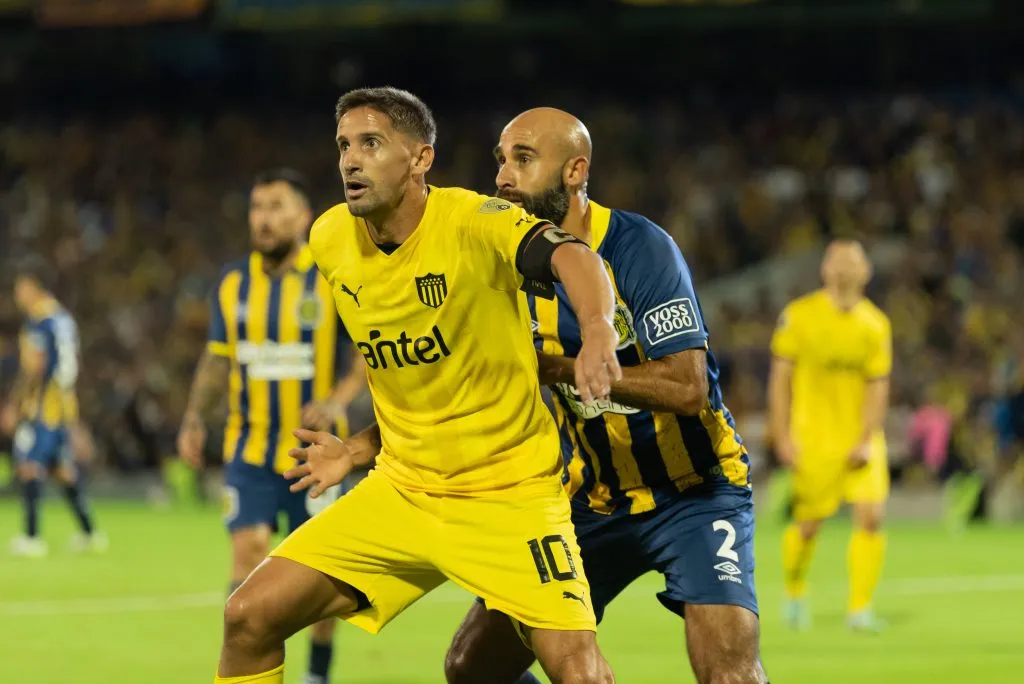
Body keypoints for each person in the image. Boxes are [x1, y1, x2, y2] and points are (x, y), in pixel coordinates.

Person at [213, 87, 623, 684]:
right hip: (403, 490)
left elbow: (574, 258)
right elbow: (417, 379)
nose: (350, 160)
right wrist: (354, 450)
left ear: (420, 158)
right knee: (247, 618)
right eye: (344, 145)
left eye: (371, 143)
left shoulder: (477, 222)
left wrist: (598, 330)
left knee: (579, 672)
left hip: (508, 496)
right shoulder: (330, 240)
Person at [443, 108, 767, 684]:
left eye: (523, 159)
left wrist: (564, 368)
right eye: (501, 160)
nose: (502, 177)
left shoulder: (642, 248)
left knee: (729, 673)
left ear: (574, 171)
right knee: (472, 667)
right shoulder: (503, 269)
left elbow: (689, 387)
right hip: (590, 502)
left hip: (695, 491)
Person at [177, 169, 366, 684]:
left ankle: (317, 675)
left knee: (320, 576)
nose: (263, 218)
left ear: (303, 216)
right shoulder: (233, 282)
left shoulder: (331, 279)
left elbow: (363, 358)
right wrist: (195, 418)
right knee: (249, 553)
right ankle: (245, 665)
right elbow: (217, 360)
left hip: (316, 456)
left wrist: (334, 400)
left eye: (276, 206)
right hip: (251, 451)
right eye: (257, 206)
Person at [768, 239, 892, 632]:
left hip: (859, 436)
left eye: (851, 262)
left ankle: (860, 609)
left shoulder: (876, 324)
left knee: (871, 516)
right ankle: (794, 592)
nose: (842, 269)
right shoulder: (799, 316)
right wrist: (782, 434)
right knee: (809, 524)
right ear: (824, 270)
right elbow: (780, 381)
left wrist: (867, 437)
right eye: (836, 261)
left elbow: (878, 385)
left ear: (866, 272)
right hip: (812, 438)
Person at [2, 259, 105, 558]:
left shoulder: (39, 320)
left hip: (43, 405)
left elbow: (36, 365)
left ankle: (31, 537)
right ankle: (89, 532)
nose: (17, 294)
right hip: (63, 403)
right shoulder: (63, 318)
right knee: (62, 469)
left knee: (29, 465)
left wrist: (16, 403)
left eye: (20, 287)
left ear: (33, 286)